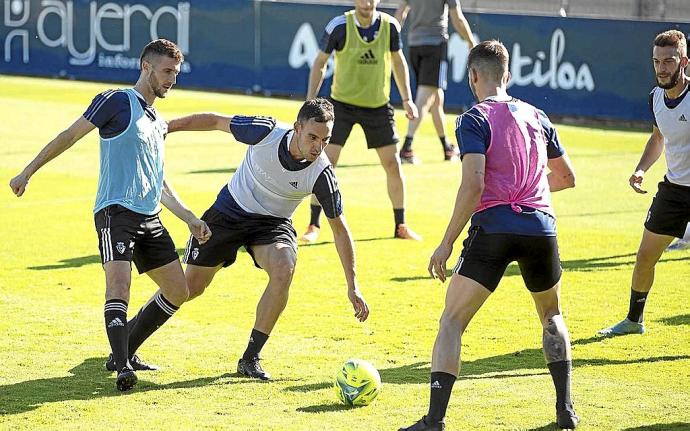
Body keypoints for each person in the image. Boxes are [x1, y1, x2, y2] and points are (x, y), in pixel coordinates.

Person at [9, 39, 211, 392]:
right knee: (119, 286)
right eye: (166, 72)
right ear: (145, 67)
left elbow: (158, 182)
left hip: (149, 216)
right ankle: (122, 366)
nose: (171, 80)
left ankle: (126, 348)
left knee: (179, 290)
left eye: (175, 74)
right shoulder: (117, 101)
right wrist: (28, 172)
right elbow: (69, 136)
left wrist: (190, 218)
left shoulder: (156, 120)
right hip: (115, 211)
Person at [399, 40, 578, 431]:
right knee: (551, 316)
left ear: (473, 76)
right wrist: (528, 188)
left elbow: (474, 183)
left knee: (451, 321)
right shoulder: (537, 115)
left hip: (494, 227)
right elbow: (566, 178)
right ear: (508, 76)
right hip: (540, 226)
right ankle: (566, 411)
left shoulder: (472, 118)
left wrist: (446, 242)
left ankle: (435, 420)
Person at [165, 98, 369, 380]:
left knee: (284, 266)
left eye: (325, 140)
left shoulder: (322, 174)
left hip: (271, 225)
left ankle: (250, 358)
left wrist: (353, 286)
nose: (318, 147)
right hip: (229, 212)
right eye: (312, 137)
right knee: (189, 288)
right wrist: (167, 126)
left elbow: (339, 230)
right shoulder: (264, 131)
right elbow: (214, 120)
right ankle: (131, 331)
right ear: (297, 128)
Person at [299, 0, 421, 244]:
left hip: (377, 105)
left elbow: (398, 62)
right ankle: (313, 224)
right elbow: (320, 63)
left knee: (392, 164)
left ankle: (401, 225)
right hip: (341, 105)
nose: (366, 3)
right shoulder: (339, 26)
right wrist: (310, 101)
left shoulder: (390, 26)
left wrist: (407, 99)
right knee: (325, 163)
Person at [599, 30, 690, 336]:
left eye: (669, 61)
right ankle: (634, 321)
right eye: (657, 61)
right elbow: (658, 137)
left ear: (684, 62)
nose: (662, 68)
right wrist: (641, 169)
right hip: (673, 191)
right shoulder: (655, 99)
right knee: (644, 258)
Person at [395, 0, 477, 164]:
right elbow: (458, 18)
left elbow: (401, 13)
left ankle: (446, 147)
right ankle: (407, 148)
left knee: (436, 98)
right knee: (425, 97)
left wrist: (389, 37)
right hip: (435, 45)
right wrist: (471, 42)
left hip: (414, 45)